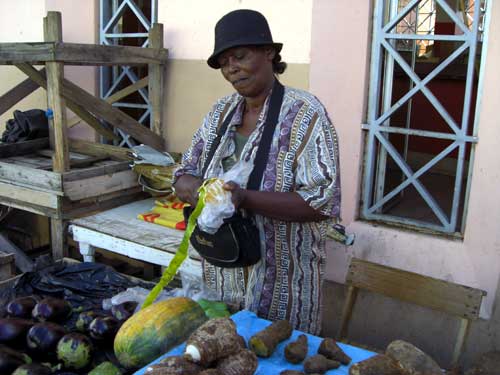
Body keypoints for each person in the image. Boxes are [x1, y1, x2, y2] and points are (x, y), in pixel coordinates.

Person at [173, 9, 340, 335]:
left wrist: (243, 198)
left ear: (269, 53)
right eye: (224, 62)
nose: (231, 67)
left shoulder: (305, 115)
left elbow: (321, 200)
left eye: (239, 55)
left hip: (284, 288)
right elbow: (183, 173)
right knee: (224, 358)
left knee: (278, 361)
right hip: (222, 282)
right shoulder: (219, 113)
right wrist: (202, 191)